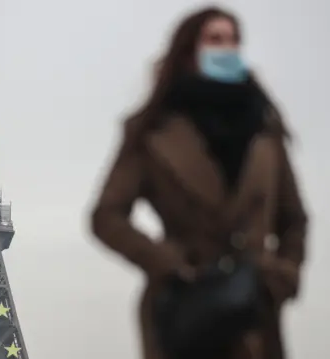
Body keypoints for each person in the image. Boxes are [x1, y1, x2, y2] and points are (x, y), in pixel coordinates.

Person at [90, 6, 308, 359]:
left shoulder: (265, 131)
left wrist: (282, 275)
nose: (227, 48)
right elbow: (106, 216)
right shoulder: (151, 132)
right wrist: (170, 265)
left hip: (254, 308)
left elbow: (294, 218)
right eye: (215, 39)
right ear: (190, 50)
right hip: (186, 310)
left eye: (234, 40)